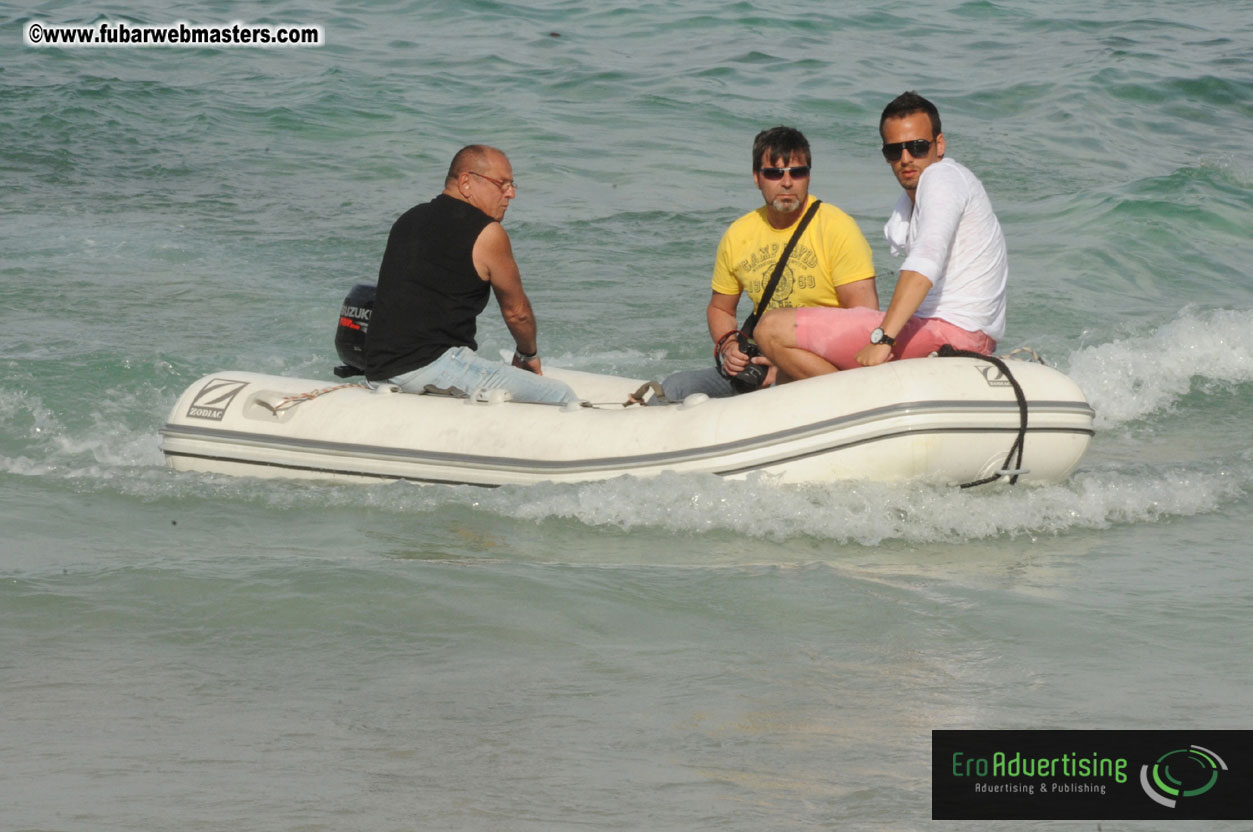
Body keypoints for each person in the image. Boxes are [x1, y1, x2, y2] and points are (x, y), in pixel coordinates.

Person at [755, 92, 1008, 379]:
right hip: (964, 334)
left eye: (917, 147)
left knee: (771, 329)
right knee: (792, 365)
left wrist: (883, 339)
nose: (905, 158)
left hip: (951, 333)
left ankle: (854, 401)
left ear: (939, 145)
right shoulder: (918, 200)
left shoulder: (942, 179)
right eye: (894, 150)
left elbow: (926, 260)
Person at [653, 126, 878, 402]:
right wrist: (729, 346)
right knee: (675, 388)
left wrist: (785, 359)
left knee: (785, 380)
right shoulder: (739, 234)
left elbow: (864, 320)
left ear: (808, 176)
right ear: (757, 178)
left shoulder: (838, 228)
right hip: (760, 363)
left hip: (822, 365)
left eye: (797, 172)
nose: (787, 182)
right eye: (774, 173)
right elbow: (720, 307)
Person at [364, 144, 579, 405]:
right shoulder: (488, 233)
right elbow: (517, 313)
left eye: (512, 185)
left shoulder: (408, 219)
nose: (510, 194)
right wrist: (527, 354)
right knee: (561, 396)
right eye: (502, 184)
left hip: (379, 369)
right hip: (430, 366)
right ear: (466, 182)